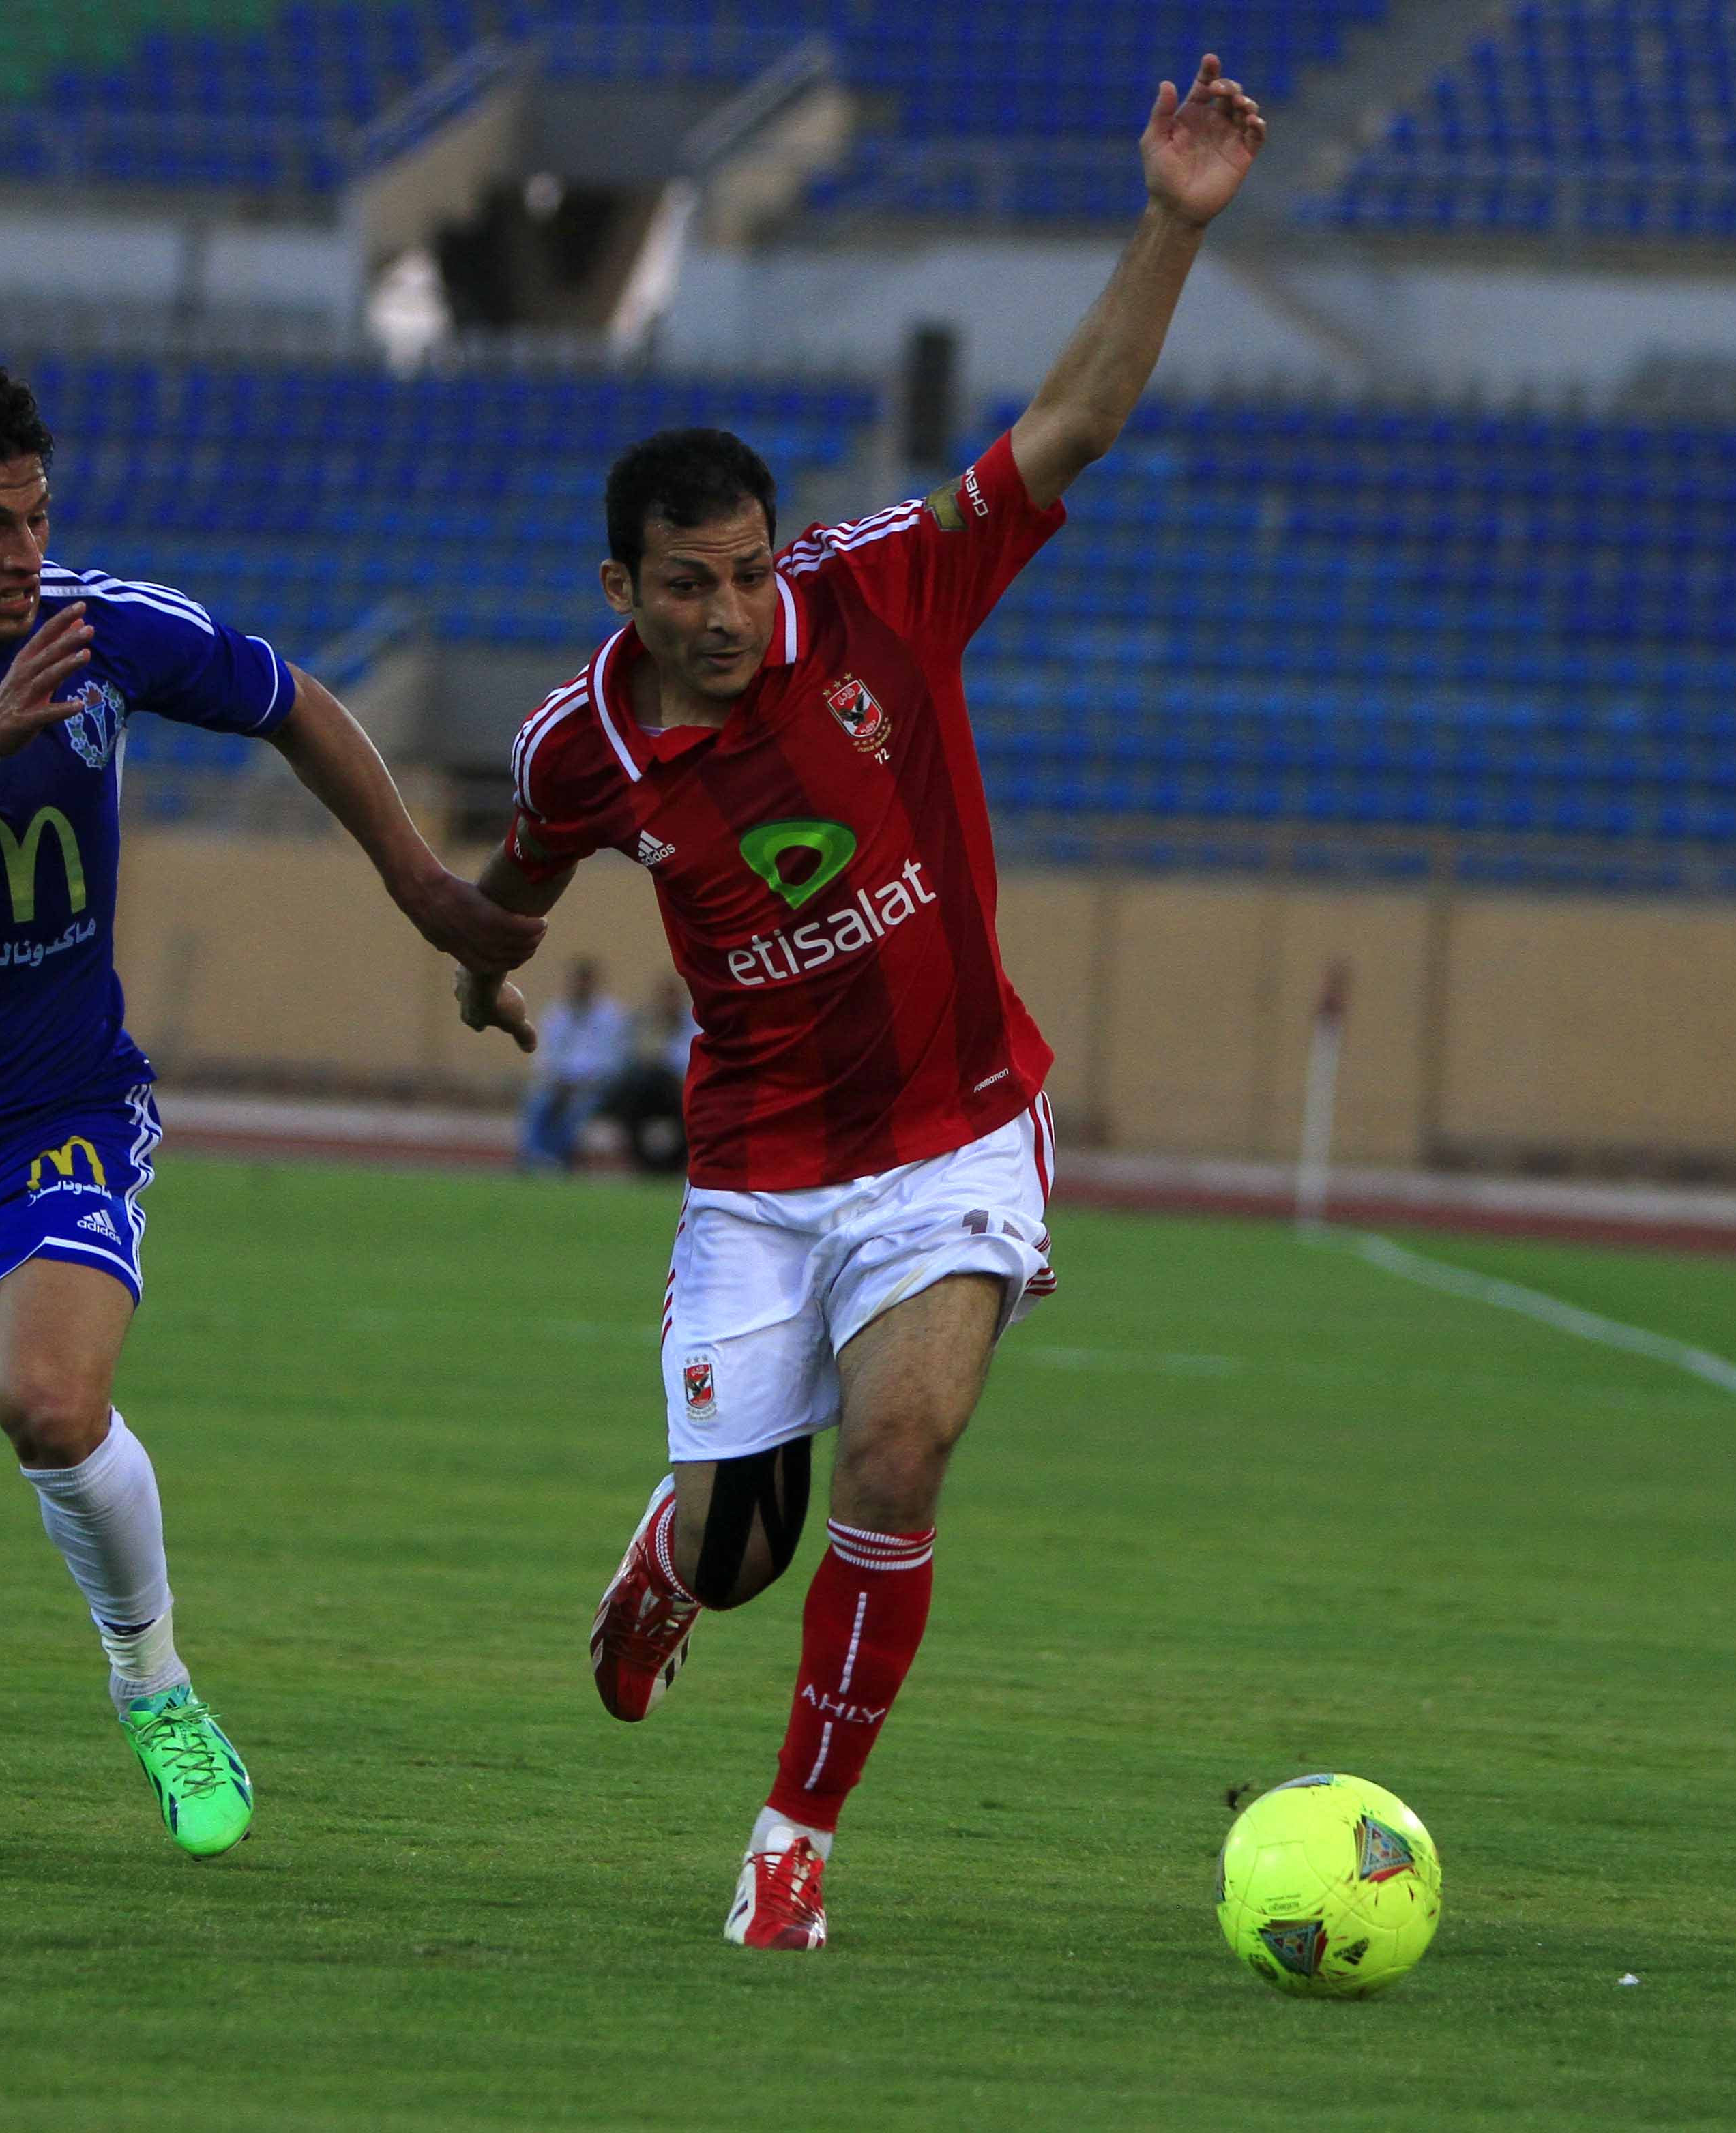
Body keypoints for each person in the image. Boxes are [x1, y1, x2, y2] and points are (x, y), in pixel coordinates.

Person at [452, 55, 1267, 1949]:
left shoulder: (885, 593)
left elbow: (1069, 423)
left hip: (952, 1126)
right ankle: (674, 1562)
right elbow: (520, 866)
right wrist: (484, 961)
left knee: (899, 1454)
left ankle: (792, 1842)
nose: (731, 612)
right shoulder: (582, 742)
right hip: (757, 1166)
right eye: (688, 586)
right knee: (743, 1543)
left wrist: (1171, 221)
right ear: (621, 588)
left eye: (747, 572)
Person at [0, 355, 540, 1851]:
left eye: (35, 516)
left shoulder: (103, 625)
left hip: (54, 1099)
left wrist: (421, 889)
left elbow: (290, 699)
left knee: (50, 1401)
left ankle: (157, 1689)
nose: (22, 553)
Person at [517, 957, 631, 1170]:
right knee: (539, 1101)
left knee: (577, 1109)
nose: (580, 987)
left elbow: (615, 1061)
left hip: (595, 1087)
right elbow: (544, 1056)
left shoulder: (611, 1016)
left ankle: (558, 1158)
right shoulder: (556, 1014)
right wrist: (557, 1081)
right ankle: (533, 1158)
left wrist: (582, 1082)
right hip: (558, 1084)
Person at [602, 978, 696, 1177]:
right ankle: (637, 1157)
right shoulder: (649, 1027)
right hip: (652, 1095)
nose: (669, 1004)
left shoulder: (694, 1027)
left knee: (658, 1082)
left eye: (673, 999)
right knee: (643, 1082)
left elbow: (688, 1066)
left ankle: (677, 1160)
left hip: (681, 1092)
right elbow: (639, 1058)